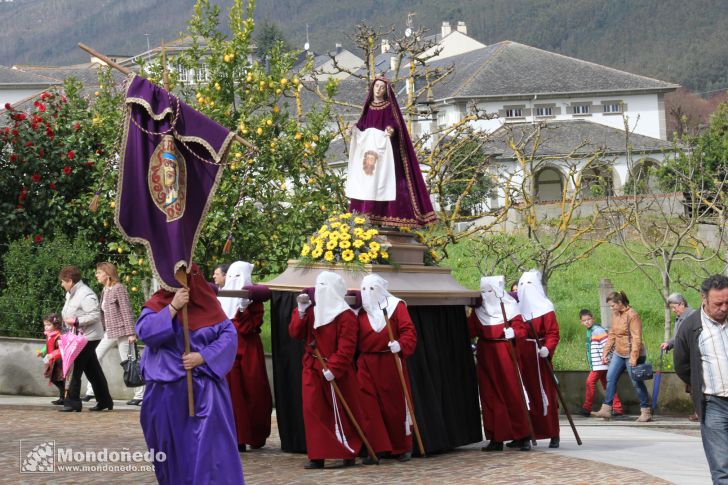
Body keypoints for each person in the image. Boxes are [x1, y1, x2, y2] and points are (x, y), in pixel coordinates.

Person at [135, 264, 244, 484]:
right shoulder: (158, 303)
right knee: (169, 450)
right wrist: (173, 308)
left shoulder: (209, 304)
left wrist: (203, 356)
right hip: (164, 392)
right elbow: (145, 332)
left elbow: (229, 335)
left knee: (209, 452)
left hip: (205, 393)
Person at [289, 271, 364, 469]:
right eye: (318, 285)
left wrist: (335, 367)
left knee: (343, 410)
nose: (320, 290)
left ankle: (348, 451)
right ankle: (317, 454)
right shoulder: (313, 311)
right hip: (312, 367)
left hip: (336, 371)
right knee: (313, 410)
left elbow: (347, 346)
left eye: (325, 286)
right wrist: (301, 312)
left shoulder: (346, 316)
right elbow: (295, 333)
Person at [347, 77, 437, 228]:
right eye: (376, 86)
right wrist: (354, 128)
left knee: (387, 181)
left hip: (385, 152)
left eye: (382, 87)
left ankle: (387, 216)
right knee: (368, 181)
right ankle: (365, 214)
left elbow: (394, 122)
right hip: (370, 152)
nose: (378, 89)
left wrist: (390, 129)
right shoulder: (368, 107)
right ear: (372, 88)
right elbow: (362, 125)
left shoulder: (389, 106)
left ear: (386, 90)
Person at [356, 274, 417, 462]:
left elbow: (409, 331)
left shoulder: (395, 307)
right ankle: (378, 447)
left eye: (372, 289)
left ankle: (401, 446)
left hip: (390, 362)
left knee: (395, 406)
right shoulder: (360, 311)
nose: (368, 293)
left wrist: (401, 344)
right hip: (366, 363)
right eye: (364, 289)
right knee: (369, 407)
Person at [467, 276, 532, 452]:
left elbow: (522, 328)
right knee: (490, 396)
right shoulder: (478, 311)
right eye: (483, 291)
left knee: (512, 393)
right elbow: (471, 330)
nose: (486, 295)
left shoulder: (509, 307)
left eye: (490, 291)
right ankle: (496, 437)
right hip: (486, 353)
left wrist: (514, 332)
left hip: (505, 351)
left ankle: (522, 435)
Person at [674, 274, 728, 485]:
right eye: (718, 303)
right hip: (713, 404)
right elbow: (682, 365)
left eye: (727, 302)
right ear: (704, 299)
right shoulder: (691, 328)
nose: (723, 308)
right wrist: (699, 385)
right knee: (722, 468)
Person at [218, 261, 273, 452]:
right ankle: (237, 437)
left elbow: (247, 327)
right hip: (228, 351)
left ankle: (255, 435)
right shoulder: (221, 300)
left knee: (254, 391)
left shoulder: (254, 302)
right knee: (233, 395)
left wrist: (242, 309)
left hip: (249, 350)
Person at [83, 262, 145, 406]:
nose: (96, 275)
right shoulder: (105, 290)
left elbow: (126, 310)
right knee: (95, 356)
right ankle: (92, 392)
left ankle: (140, 395)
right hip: (109, 332)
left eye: (99, 272)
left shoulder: (119, 288)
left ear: (107, 273)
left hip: (123, 331)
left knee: (130, 362)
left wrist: (131, 333)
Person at [513, 269, 561, 448]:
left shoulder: (546, 308)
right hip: (523, 354)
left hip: (539, 354)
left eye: (529, 284)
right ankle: (526, 434)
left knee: (545, 394)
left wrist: (547, 348)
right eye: (522, 284)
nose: (525, 288)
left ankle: (552, 432)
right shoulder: (518, 308)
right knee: (525, 394)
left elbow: (553, 332)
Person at [59, 266, 113, 412]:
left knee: (74, 366)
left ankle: (72, 402)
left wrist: (76, 321)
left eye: (63, 282)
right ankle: (105, 401)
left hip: (88, 337)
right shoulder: (71, 293)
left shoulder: (85, 294)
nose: (61, 284)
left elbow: (95, 315)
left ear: (70, 281)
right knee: (92, 369)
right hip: (81, 336)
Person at [593, 291, 652, 422]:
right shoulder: (616, 314)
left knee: (636, 382)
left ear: (620, 303)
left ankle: (645, 411)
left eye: (612, 305)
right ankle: (606, 409)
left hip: (632, 353)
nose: (611, 308)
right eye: (610, 306)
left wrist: (634, 357)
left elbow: (637, 338)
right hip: (619, 352)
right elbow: (612, 335)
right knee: (610, 378)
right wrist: (605, 352)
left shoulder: (632, 315)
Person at [575, 309, 624, 417]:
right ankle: (618, 408)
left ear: (593, 319)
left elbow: (606, 345)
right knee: (608, 385)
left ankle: (587, 408)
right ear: (581, 322)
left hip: (601, 364)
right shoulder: (591, 331)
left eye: (589, 319)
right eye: (584, 320)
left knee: (590, 382)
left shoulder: (598, 330)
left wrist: (605, 357)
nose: (587, 322)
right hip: (599, 364)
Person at [661, 293, 699, 421]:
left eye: (674, 307)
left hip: (691, 357)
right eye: (671, 308)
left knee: (696, 385)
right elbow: (677, 337)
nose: (673, 310)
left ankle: (699, 412)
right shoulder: (680, 317)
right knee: (693, 386)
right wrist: (669, 344)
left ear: (682, 304)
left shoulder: (692, 316)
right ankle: (698, 411)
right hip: (683, 358)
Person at [38, 313, 65, 405]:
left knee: (58, 379)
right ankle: (63, 396)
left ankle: (64, 396)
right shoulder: (50, 335)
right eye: (45, 325)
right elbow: (47, 346)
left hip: (59, 361)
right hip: (52, 360)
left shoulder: (58, 336)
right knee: (54, 378)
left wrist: (53, 354)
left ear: (56, 325)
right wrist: (42, 351)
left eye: (49, 325)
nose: (46, 327)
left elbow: (61, 349)